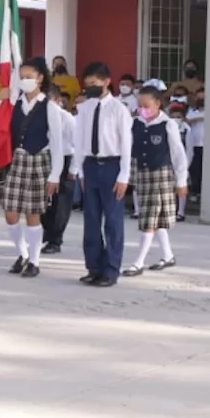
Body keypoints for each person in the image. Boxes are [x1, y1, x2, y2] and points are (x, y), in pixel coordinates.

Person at [0, 57, 63, 278]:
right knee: (10, 212)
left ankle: (34, 260)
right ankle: (22, 253)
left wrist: (55, 175)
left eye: (29, 77)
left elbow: (57, 143)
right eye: (22, 77)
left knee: (33, 214)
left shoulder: (49, 106)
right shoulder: (14, 104)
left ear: (41, 78)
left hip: (39, 161)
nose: (25, 81)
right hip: (18, 161)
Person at [70, 62, 133, 288]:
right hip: (90, 165)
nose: (90, 88)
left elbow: (126, 144)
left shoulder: (119, 109)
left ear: (106, 82)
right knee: (91, 219)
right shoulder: (85, 108)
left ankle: (111, 269)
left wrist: (124, 175)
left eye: (94, 84)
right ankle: (93, 267)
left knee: (113, 221)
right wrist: (78, 169)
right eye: (87, 85)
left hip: (112, 165)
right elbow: (79, 140)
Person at [123, 86, 190, 276]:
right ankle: (168, 255)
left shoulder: (168, 124)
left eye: (147, 105)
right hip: (142, 174)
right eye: (140, 105)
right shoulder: (134, 123)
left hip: (161, 175)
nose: (143, 109)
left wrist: (182, 181)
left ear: (158, 103)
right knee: (156, 218)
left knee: (149, 219)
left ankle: (139, 262)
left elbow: (178, 154)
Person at [40, 85, 76, 255]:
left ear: (56, 100)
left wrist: (74, 168)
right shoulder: (38, 116)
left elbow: (77, 144)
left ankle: (55, 239)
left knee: (60, 203)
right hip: (45, 159)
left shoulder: (66, 117)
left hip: (65, 159)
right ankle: (48, 231)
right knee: (42, 201)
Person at [168, 103, 191, 221]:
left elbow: (189, 149)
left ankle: (181, 211)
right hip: (168, 162)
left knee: (181, 186)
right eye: (173, 117)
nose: (176, 120)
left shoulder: (187, 129)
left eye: (178, 117)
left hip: (182, 163)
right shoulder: (167, 129)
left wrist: (186, 164)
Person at [185, 87, 206, 204]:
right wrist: (197, 117)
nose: (201, 99)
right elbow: (187, 120)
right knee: (195, 169)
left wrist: (198, 118)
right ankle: (195, 191)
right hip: (195, 145)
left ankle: (205, 192)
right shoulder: (192, 111)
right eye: (199, 97)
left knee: (205, 170)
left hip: (208, 146)